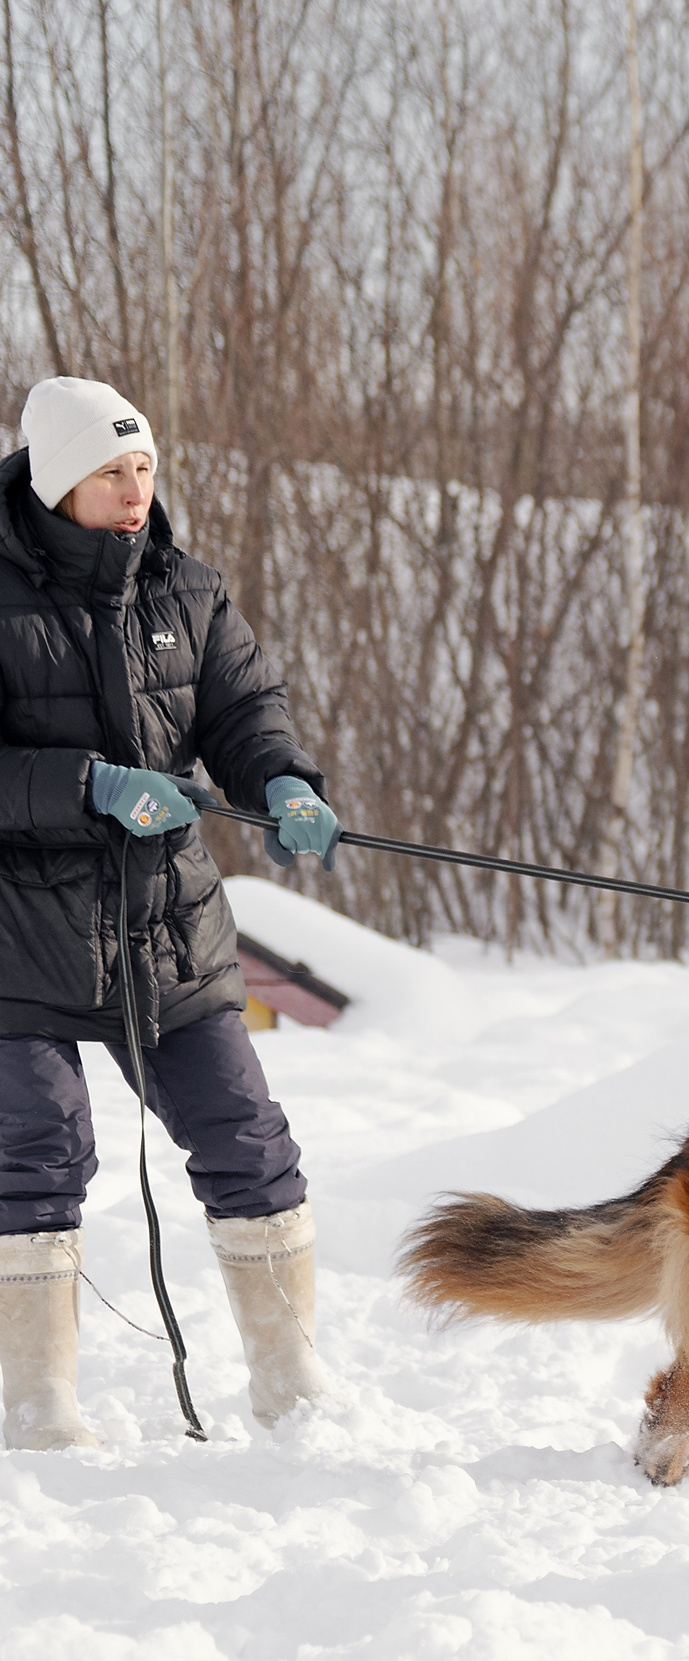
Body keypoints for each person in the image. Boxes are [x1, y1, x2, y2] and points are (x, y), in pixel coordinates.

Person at [0, 376, 338, 1448]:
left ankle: (293, 1392)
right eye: (110, 471)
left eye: (144, 467)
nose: (135, 489)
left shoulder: (186, 591)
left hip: (166, 925)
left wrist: (283, 781)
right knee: (39, 1151)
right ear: (57, 483)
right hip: (20, 935)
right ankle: (40, 1408)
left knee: (246, 1140)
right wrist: (86, 785)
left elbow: (244, 709)